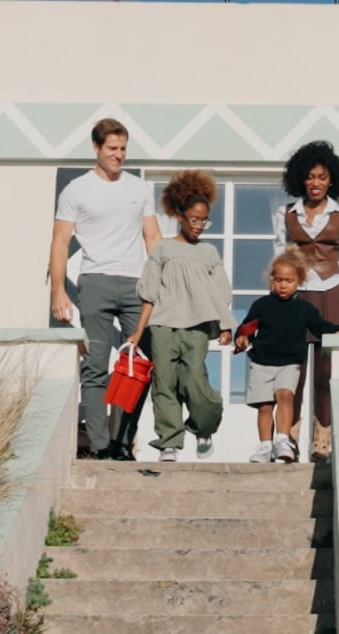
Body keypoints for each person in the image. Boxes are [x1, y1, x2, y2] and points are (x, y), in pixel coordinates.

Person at [51, 119, 163, 460]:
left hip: (136, 285)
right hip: (95, 282)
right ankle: (100, 446)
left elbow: (153, 239)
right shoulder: (76, 190)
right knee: (96, 366)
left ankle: (122, 443)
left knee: (139, 367)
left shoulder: (139, 189)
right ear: (96, 148)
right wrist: (59, 290)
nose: (119, 155)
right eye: (112, 149)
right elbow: (59, 242)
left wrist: (161, 285)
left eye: (123, 149)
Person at [126, 170, 233, 463]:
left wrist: (226, 325)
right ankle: (169, 441)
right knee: (165, 383)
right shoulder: (163, 249)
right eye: (194, 219)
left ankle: (203, 427)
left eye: (204, 220)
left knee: (195, 381)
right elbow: (149, 294)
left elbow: (219, 293)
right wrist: (137, 333)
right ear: (180, 216)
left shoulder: (209, 252)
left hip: (197, 327)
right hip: (162, 326)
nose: (199, 226)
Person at [276, 141, 339, 461]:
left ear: (332, 180)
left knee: (325, 373)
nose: (316, 183)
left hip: (333, 295)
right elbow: (279, 261)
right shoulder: (286, 214)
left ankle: (321, 443)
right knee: (294, 372)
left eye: (322, 177)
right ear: (301, 179)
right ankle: (287, 441)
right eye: (310, 177)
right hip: (297, 297)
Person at [234, 250, 339, 464]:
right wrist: (242, 337)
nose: (283, 285)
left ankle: (283, 441)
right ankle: (265, 446)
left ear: (300, 281)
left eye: (289, 281)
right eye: (279, 280)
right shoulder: (261, 305)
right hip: (261, 363)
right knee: (265, 406)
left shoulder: (305, 309)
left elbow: (320, 327)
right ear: (272, 280)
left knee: (285, 395)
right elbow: (247, 327)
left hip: (289, 363)